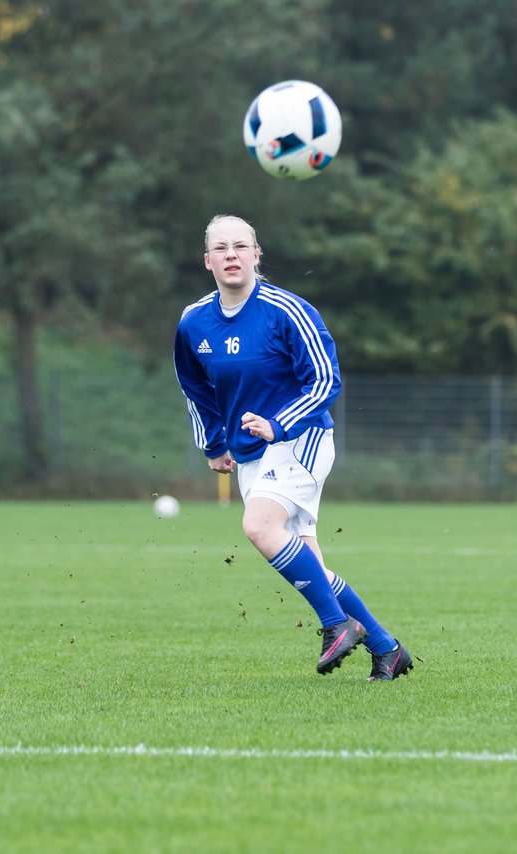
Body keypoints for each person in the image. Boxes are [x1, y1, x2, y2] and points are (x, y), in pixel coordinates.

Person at [172, 214, 413, 681]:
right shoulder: (192, 322)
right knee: (309, 561)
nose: (231, 256)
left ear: (257, 255)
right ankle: (387, 650)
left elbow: (326, 380)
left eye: (241, 247)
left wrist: (278, 423)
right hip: (249, 454)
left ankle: (334, 625)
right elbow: (195, 388)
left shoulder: (288, 310)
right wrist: (213, 444)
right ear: (207, 261)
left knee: (259, 526)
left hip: (302, 440)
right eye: (221, 249)